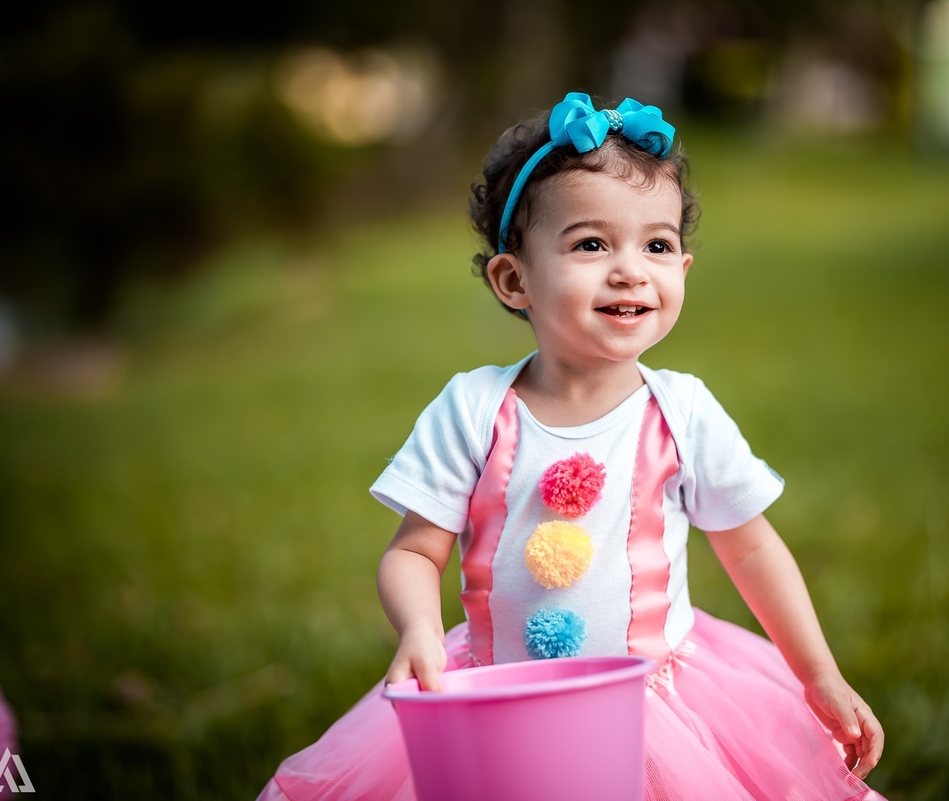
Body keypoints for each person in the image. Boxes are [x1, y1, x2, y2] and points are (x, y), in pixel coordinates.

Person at [257, 92, 884, 801]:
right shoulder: (474, 409)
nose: (630, 270)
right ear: (514, 280)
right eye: (591, 244)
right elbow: (414, 552)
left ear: (682, 270)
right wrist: (421, 629)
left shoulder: (681, 412)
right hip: (499, 694)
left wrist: (817, 672)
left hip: (651, 702)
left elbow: (750, 547)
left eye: (656, 245)